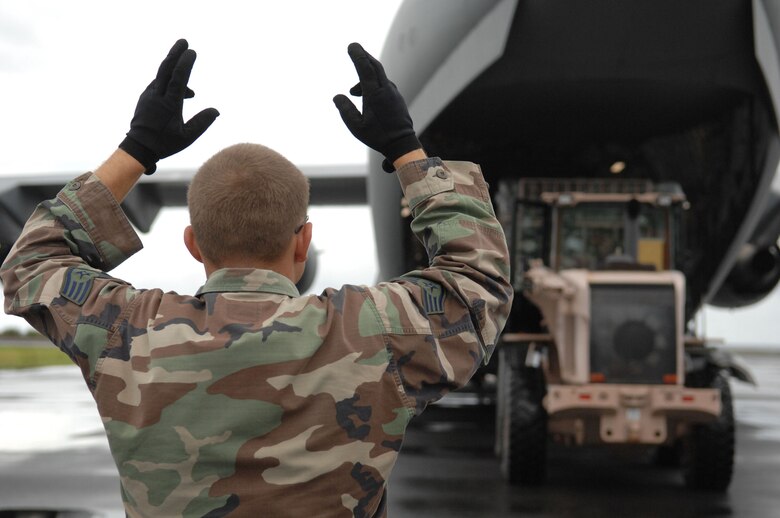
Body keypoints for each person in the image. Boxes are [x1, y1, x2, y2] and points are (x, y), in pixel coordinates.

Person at [1, 39, 512, 517]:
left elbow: (31, 262)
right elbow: (479, 278)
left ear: (193, 244)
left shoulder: (126, 331)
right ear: (303, 241)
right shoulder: (373, 332)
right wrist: (405, 149)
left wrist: (136, 150)